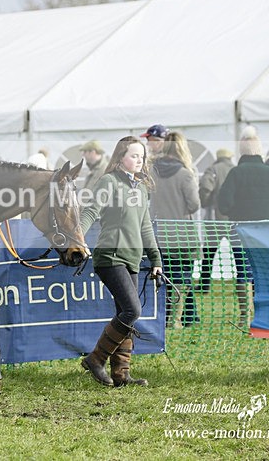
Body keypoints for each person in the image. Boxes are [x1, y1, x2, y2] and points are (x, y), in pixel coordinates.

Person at [79, 136, 162, 388]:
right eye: (134, 155)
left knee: (126, 314)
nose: (139, 160)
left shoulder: (141, 188)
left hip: (132, 259)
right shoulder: (109, 181)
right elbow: (90, 211)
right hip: (110, 257)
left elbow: (145, 226)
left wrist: (156, 259)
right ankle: (96, 359)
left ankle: (121, 374)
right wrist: (77, 239)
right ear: (120, 157)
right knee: (132, 310)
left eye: (142, 156)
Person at [218, 126, 269, 326]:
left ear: (241, 151)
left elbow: (223, 205)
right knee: (262, 271)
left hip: (239, 231)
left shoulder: (235, 173)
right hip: (264, 231)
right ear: (259, 150)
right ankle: (263, 313)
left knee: (243, 271)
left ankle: (244, 315)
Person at [149, 131, 201, 328]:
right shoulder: (185, 174)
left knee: (164, 276)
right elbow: (194, 204)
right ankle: (176, 320)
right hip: (181, 234)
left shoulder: (152, 172)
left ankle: (176, 317)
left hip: (158, 233)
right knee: (183, 277)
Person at [197, 148, 235, 292]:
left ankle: (204, 284)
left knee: (209, 253)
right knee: (239, 254)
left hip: (215, 219)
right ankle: (245, 284)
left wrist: (205, 202)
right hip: (233, 219)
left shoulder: (213, 169)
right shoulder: (235, 169)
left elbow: (205, 187)